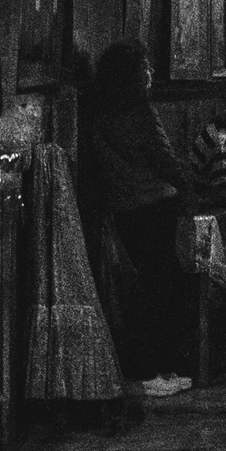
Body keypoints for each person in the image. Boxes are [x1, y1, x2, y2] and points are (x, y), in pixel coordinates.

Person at [82, 41, 195, 376]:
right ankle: (161, 363)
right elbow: (164, 157)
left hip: (124, 208)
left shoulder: (99, 112)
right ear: (133, 74)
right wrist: (187, 187)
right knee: (165, 285)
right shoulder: (141, 112)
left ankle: (144, 362)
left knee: (149, 283)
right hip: (155, 205)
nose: (151, 73)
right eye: (146, 66)